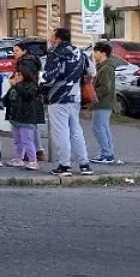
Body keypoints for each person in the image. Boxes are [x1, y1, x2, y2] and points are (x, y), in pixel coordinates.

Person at [42, 28, 94, 177]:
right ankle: (84, 164)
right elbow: (91, 71)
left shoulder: (55, 53)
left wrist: (41, 88)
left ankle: (64, 165)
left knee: (61, 132)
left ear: (58, 39)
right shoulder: (80, 53)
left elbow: (50, 77)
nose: (51, 39)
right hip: (75, 97)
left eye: (52, 36)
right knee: (76, 131)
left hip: (58, 97)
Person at [88, 41, 123, 164]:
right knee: (103, 128)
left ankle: (107, 154)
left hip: (103, 102)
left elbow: (105, 87)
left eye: (96, 52)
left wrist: (93, 95)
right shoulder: (103, 66)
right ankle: (108, 152)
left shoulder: (106, 68)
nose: (94, 54)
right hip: (104, 102)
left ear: (103, 53)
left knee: (98, 128)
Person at [4, 65, 43, 170]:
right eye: (16, 74)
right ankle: (19, 158)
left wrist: (16, 85)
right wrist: (2, 102)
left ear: (26, 75)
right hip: (15, 117)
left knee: (27, 139)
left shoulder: (31, 86)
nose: (17, 76)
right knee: (18, 140)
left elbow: (27, 95)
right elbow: (9, 96)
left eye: (19, 75)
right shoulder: (16, 86)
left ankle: (33, 161)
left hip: (26, 118)